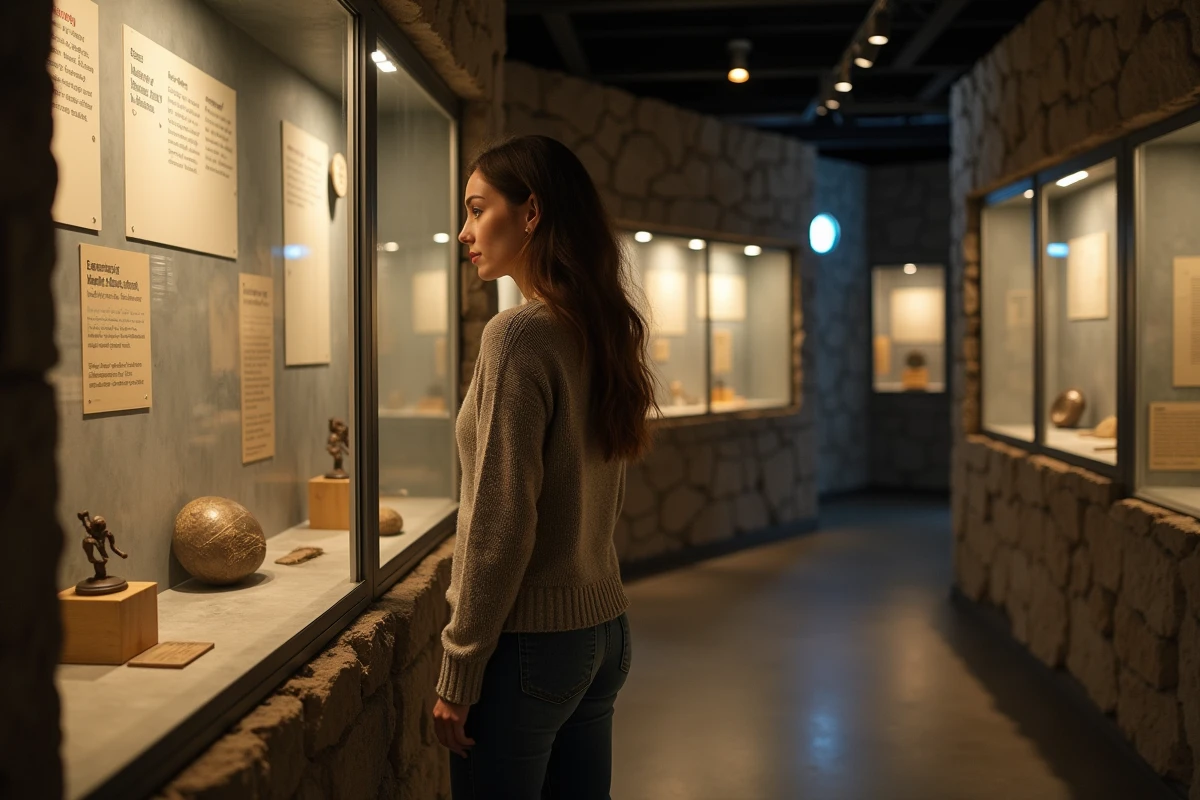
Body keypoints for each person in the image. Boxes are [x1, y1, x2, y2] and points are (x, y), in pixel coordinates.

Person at [433, 134, 657, 799]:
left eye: (478, 209)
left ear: (530, 213)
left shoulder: (520, 334)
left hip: (529, 646)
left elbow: (501, 520)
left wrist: (460, 667)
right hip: (603, 634)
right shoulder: (596, 327)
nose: (465, 231)